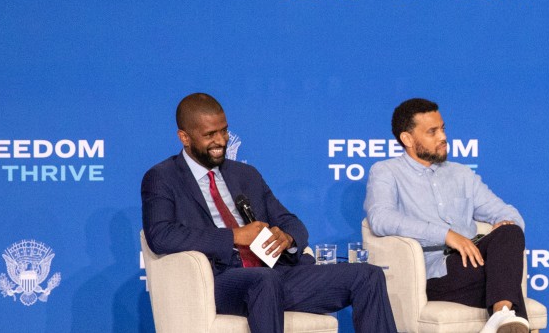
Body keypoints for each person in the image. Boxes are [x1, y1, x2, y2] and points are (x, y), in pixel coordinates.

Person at [141, 93, 397, 333]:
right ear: (184, 137)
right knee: (263, 280)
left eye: (224, 131)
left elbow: (290, 221)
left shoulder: (245, 175)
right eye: (210, 135)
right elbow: (161, 235)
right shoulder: (163, 178)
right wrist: (234, 236)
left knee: (367, 275)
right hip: (218, 281)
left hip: (275, 273)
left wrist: (287, 238)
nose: (220, 141)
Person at [364, 98, 532, 333]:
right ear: (407, 139)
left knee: (511, 231)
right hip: (433, 273)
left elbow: (506, 212)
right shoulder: (386, 172)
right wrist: (445, 235)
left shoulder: (462, 174)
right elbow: (381, 219)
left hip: (473, 263)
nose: (442, 137)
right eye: (432, 132)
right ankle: (505, 314)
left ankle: (502, 314)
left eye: (442, 129)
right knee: (505, 279)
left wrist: (507, 222)